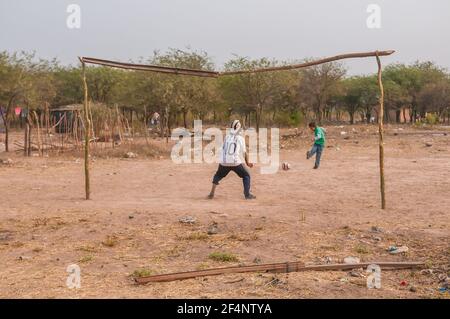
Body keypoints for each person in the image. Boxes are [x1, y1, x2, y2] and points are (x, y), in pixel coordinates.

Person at [208, 120, 256, 200]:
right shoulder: (240, 138)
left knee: (218, 175)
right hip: (235, 162)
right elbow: (244, 152)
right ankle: (247, 194)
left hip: (224, 162)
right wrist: (247, 163)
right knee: (246, 175)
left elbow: (223, 149)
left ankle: (211, 193)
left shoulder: (227, 137)